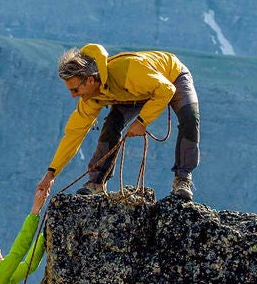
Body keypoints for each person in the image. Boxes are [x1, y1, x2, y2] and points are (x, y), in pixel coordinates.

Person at [38, 43, 200, 201]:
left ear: (90, 81)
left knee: (190, 118)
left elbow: (166, 90)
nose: (73, 95)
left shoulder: (128, 71)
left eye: (75, 90)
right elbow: (73, 135)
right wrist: (51, 173)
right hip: (132, 93)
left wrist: (142, 121)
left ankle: (183, 180)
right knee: (111, 125)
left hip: (172, 77)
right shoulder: (91, 98)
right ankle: (96, 183)